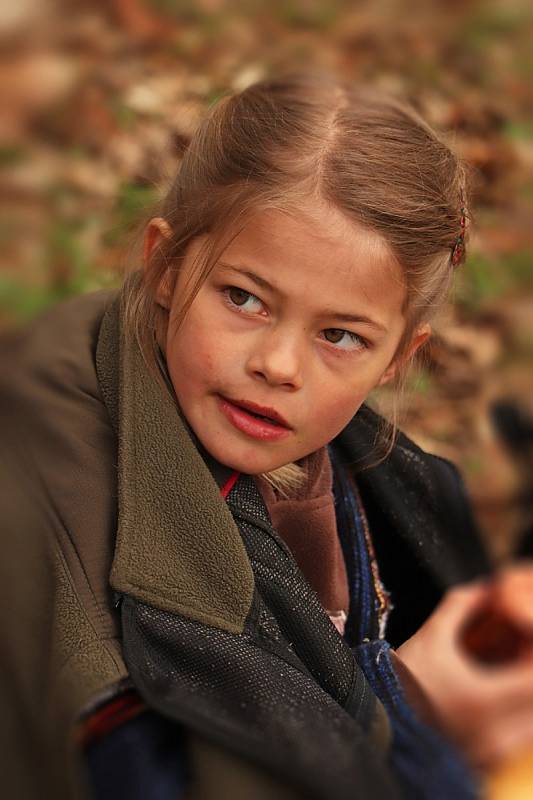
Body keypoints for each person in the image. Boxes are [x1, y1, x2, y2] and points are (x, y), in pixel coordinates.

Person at [2, 72, 533, 800]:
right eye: (245, 299)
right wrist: (416, 711)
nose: (277, 366)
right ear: (163, 263)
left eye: (340, 336)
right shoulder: (62, 523)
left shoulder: (376, 476)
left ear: (396, 361)